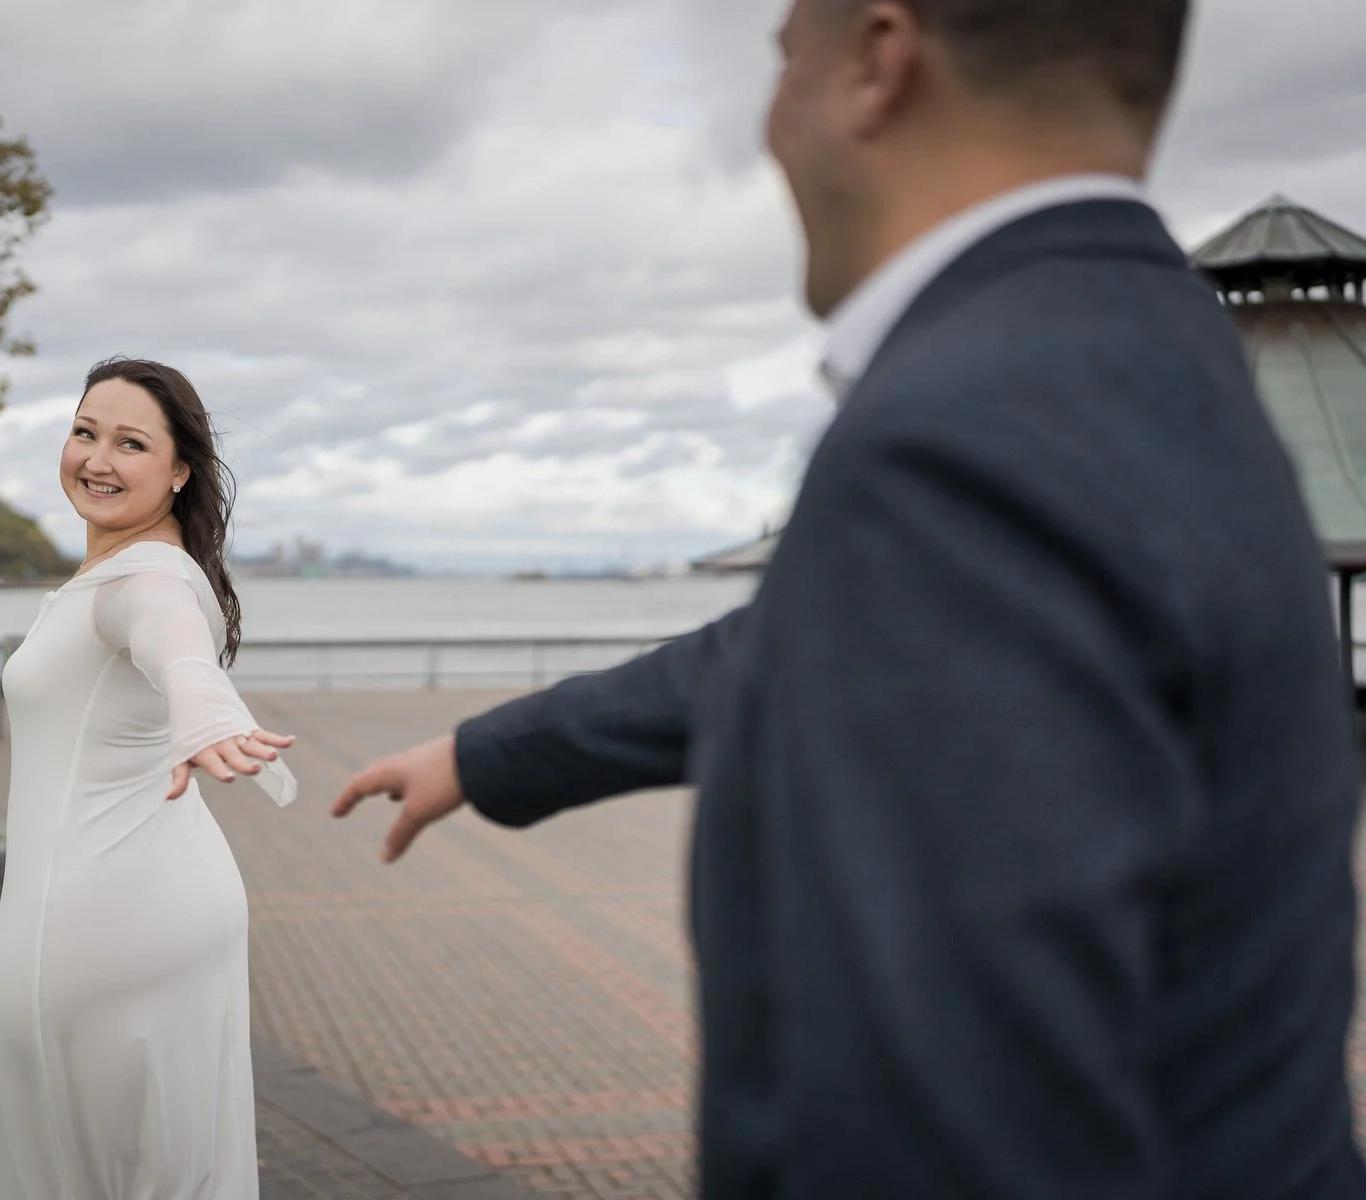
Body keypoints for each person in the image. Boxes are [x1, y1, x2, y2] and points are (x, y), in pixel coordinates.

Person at [334, 0, 1366, 1193]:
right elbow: (821, 648)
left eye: (780, 57)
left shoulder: (956, 444)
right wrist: (492, 751)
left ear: (878, 57)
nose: (768, 125)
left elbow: (945, 1135)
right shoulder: (1157, 351)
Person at [0, 357, 297, 1200]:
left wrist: (204, 706)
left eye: (130, 443)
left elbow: (174, 645)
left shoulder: (148, 578)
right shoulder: (114, 575)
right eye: (85, 432)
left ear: (179, 470)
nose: (97, 459)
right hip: (140, 904)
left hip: (113, 923)